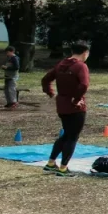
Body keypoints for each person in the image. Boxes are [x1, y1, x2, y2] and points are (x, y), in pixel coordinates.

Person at [41, 41, 91, 176]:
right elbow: (84, 85)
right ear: (85, 53)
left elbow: (45, 79)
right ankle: (63, 168)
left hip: (61, 104)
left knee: (66, 135)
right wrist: (76, 99)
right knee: (72, 137)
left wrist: (50, 92)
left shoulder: (61, 64)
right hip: (75, 107)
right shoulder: (81, 66)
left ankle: (51, 163)